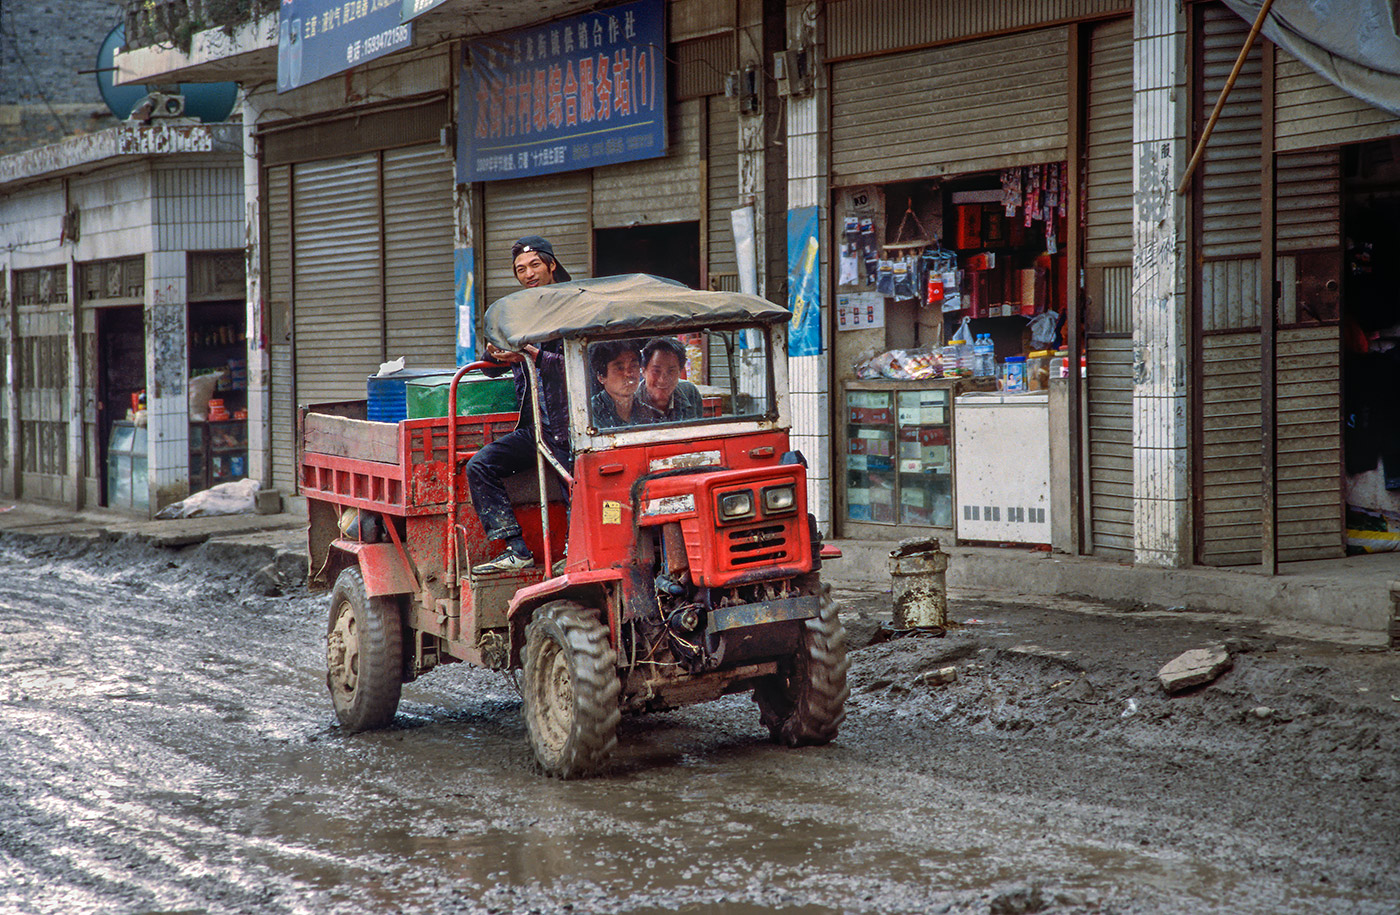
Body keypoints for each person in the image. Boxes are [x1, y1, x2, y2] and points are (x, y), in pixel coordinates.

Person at [466, 236, 572, 574]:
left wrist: (531, 355)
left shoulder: (572, 306)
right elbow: (492, 356)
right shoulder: (519, 310)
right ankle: (515, 548)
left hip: (570, 426)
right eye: (520, 270)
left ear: (551, 265)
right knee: (479, 466)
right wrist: (497, 352)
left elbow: (579, 366)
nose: (528, 274)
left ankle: (576, 552)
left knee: (577, 482)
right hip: (534, 430)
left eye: (535, 265)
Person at [638, 336, 704, 422]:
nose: (662, 379)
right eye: (656, 371)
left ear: (680, 372)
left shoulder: (689, 392)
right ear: (643, 371)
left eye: (671, 371)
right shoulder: (630, 402)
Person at [589, 340, 647, 429]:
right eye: (620, 368)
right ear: (601, 377)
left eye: (634, 366)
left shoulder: (648, 413)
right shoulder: (589, 415)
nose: (629, 373)